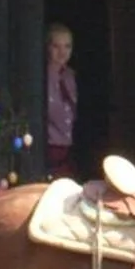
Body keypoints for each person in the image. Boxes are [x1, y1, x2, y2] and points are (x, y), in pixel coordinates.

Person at [45, 22, 77, 179]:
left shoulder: (71, 76)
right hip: (48, 152)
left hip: (69, 152)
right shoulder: (41, 77)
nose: (62, 52)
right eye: (56, 46)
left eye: (67, 46)